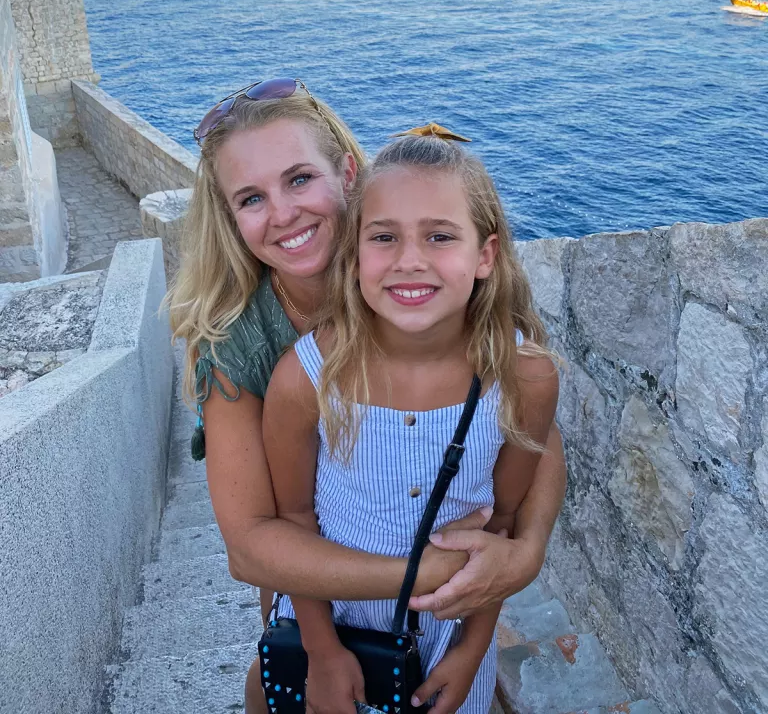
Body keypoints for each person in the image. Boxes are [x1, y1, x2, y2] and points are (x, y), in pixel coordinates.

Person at [169, 78, 566, 714]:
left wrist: (521, 557)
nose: (284, 213)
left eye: (300, 179)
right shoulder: (245, 348)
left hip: (445, 608)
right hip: (322, 593)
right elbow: (253, 545)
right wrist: (424, 579)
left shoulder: (443, 284)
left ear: (349, 174)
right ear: (230, 217)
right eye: (251, 198)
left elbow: (530, 432)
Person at [263, 129, 559, 714]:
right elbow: (291, 520)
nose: (410, 261)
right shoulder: (306, 380)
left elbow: (501, 523)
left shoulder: (524, 376)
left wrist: (473, 650)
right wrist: (322, 654)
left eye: (440, 236)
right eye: (384, 237)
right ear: (355, 256)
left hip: (449, 639)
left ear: (485, 255)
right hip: (333, 627)